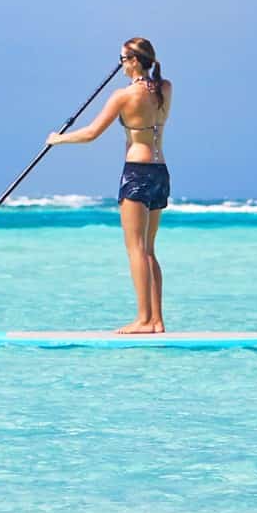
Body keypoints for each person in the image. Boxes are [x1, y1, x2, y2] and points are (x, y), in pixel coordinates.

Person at [46, 36, 173, 333]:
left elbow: (91, 133)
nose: (119, 65)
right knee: (150, 249)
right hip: (160, 171)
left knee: (136, 248)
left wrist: (58, 138)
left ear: (132, 61)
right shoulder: (165, 89)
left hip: (137, 172)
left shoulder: (123, 96)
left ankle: (143, 320)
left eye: (121, 59)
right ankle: (156, 321)